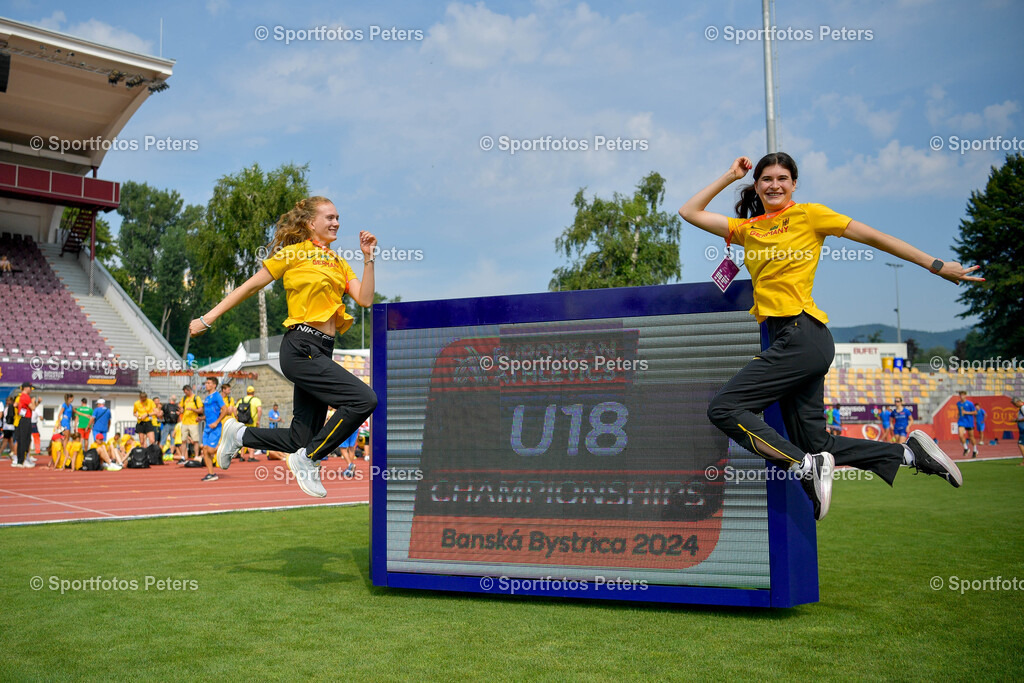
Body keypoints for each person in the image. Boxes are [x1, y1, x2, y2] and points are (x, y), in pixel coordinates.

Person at [679, 152, 979, 520]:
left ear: (794, 184)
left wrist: (935, 265)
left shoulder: (810, 215)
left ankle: (805, 466)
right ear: (756, 185)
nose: (774, 185)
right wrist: (728, 175)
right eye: (766, 179)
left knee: (724, 407)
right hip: (787, 341)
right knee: (818, 443)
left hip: (803, 334)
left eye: (782, 178)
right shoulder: (748, 229)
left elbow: (874, 237)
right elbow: (689, 211)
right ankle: (909, 453)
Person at [188, 196, 378, 498]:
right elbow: (249, 286)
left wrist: (368, 257)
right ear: (310, 223)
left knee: (298, 438)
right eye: (329, 217)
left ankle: (239, 434)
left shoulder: (339, 262)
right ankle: (311, 459)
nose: (336, 223)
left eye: (338, 217)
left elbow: (365, 299)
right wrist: (207, 318)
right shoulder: (293, 254)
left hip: (323, 349)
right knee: (364, 399)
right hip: (300, 347)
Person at [199, 376, 225, 482]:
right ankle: (211, 474)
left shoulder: (217, 396)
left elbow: (225, 410)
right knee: (205, 450)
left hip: (215, 427)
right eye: (206, 383)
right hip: (207, 427)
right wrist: (201, 418)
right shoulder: (207, 397)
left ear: (214, 385)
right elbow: (210, 413)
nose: (206, 385)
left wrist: (216, 422)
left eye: (209, 383)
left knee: (210, 450)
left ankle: (226, 449)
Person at [236, 386, 262, 461]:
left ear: (247, 392)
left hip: (243, 422)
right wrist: (258, 420)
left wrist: (237, 417)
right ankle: (251, 456)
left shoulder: (241, 400)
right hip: (252, 422)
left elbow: (235, 409)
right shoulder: (256, 400)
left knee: (243, 438)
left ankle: (242, 456)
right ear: (253, 392)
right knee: (252, 438)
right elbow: (259, 410)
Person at [12, 383, 36, 468]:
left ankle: (20, 460)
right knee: (25, 440)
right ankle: (23, 460)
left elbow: (16, 405)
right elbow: (33, 407)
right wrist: (33, 401)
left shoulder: (21, 396)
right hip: (25, 419)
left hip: (23, 419)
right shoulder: (26, 397)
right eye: (30, 388)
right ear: (26, 388)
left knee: (22, 440)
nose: (31, 390)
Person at [180, 384, 202, 462]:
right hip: (185, 422)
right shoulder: (184, 398)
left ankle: (196, 456)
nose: (185, 394)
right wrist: (181, 410)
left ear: (189, 390)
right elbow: (181, 407)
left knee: (195, 440)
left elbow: (201, 410)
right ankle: (182, 457)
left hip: (193, 422)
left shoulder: (196, 398)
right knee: (183, 440)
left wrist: (193, 409)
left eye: (186, 392)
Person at [955, 391, 977, 458]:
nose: (961, 397)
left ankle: (975, 450)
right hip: (961, 421)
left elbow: (975, 412)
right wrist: (958, 416)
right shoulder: (958, 403)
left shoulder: (970, 404)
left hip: (969, 422)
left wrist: (966, 412)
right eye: (960, 395)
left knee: (971, 437)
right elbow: (959, 412)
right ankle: (966, 448)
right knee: (961, 435)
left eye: (962, 395)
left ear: (965, 396)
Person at [1013, 397, 1024, 465]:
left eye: (1015, 404)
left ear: (1018, 402)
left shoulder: (1022, 407)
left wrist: (1017, 420)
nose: (1015, 406)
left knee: (1021, 444)